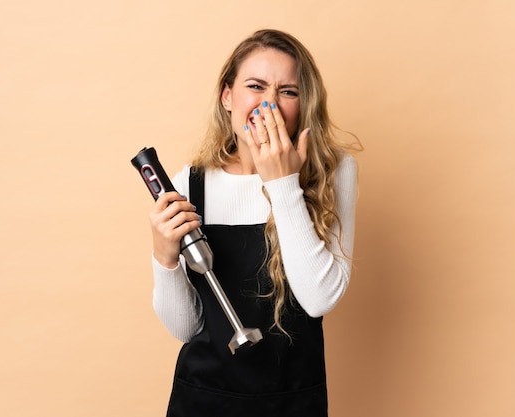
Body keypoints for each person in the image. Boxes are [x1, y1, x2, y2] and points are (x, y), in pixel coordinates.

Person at [147, 29, 359, 417]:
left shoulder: (334, 172)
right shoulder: (188, 185)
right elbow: (185, 328)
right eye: (255, 86)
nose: (269, 105)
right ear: (228, 97)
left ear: (303, 103)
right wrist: (164, 259)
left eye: (288, 92)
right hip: (203, 399)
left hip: (294, 400)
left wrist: (282, 182)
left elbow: (319, 299)